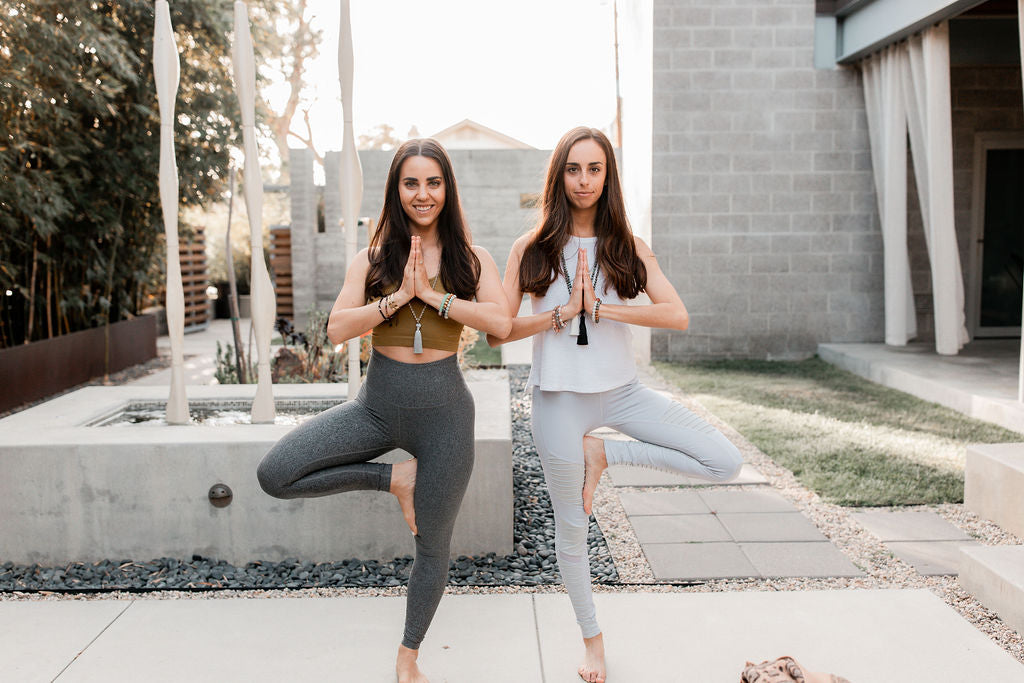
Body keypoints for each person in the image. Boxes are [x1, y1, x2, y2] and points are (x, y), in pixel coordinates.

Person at [488, 127, 743, 683]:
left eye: (594, 169)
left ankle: (606, 456)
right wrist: (562, 313)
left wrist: (602, 308)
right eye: (574, 169)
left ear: (608, 176)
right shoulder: (531, 248)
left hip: (622, 392)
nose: (584, 181)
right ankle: (593, 642)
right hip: (557, 400)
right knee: (572, 529)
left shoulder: (627, 245)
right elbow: (499, 331)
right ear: (559, 176)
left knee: (724, 461)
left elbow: (676, 314)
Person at [258, 138, 512, 683]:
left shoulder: (473, 258)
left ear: (448, 188)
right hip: (376, 408)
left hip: (446, 415)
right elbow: (335, 331)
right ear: (396, 190)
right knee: (275, 474)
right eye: (411, 183)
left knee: (432, 543)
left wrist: (436, 297)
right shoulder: (371, 259)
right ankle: (392, 479)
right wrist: (398, 298)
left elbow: (502, 324)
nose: (423, 194)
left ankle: (407, 658)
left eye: (434, 182)